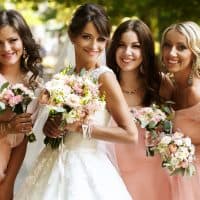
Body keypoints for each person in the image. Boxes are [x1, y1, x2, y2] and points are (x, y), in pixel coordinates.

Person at [14, 3, 138, 200]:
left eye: (101, 39)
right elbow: (57, 124)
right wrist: (51, 127)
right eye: (86, 37)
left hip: (87, 165)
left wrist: (81, 127)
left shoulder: (104, 77)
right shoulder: (66, 76)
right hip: (54, 161)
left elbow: (130, 133)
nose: (94, 46)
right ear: (72, 36)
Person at [106, 19, 172, 200]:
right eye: (121, 45)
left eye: (136, 46)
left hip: (153, 175)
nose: (127, 53)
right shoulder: (103, 85)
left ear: (146, 50)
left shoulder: (161, 84)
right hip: (114, 175)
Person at [0, 9, 42, 200]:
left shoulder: (33, 82)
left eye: (12, 40)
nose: (6, 48)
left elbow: (23, 137)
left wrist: (9, 183)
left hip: (8, 166)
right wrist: (8, 126)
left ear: (23, 40)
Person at [160, 21, 200, 200]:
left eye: (181, 47)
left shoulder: (196, 92)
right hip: (173, 176)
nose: (171, 53)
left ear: (194, 52)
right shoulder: (168, 86)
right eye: (167, 45)